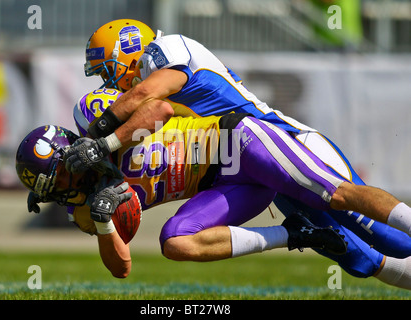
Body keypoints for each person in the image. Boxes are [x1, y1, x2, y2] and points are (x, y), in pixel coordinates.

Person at [70, 19, 411, 280]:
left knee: (391, 238)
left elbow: (149, 100)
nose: (108, 82)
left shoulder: (167, 51)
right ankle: (294, 234)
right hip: (241, 168)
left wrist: (101, 139)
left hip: (278, 139)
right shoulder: (148, 101)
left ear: (128, 49)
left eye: (106, 69)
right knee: (360, 261)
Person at [17, 95, 411, 289]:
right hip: (225, 185)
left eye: (59, 182)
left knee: (369, 224)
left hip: (239, 144)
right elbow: (121, 268)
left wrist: (106, 145)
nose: (64, 193)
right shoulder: (88, 210)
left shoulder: (94, 119)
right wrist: (104, 224)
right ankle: (294, 234)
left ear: (70, 155)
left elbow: (161, 111)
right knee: (174, 242)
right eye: (54, 191)